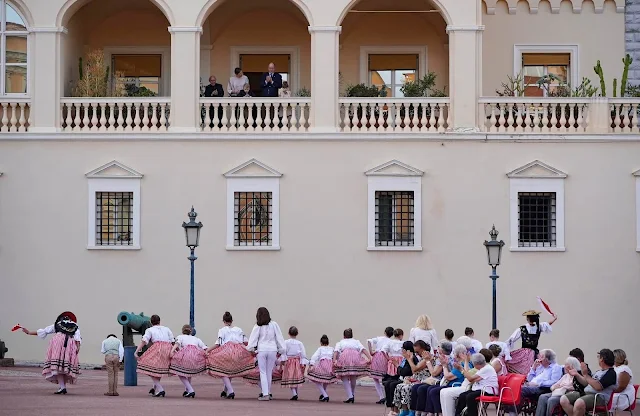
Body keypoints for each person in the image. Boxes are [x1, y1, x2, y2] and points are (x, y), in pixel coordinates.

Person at [21, 311, 82, 394]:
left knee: (57, 366)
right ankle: (62, 387)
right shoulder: (75, 326)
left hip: (58, 343)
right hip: (69, 345)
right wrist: (77, 348)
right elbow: (77, 338)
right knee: (64, 367)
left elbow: (44, 331)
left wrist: (28, 332)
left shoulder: (57, 324)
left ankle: (62, 387)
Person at [206, 311, 256, 400]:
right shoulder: (238, 329)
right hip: (239, 350)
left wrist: (208, 350)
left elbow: (218, 344)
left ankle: (231, 391)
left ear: (223, 321)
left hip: (227, 350)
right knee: (229, 369)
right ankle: (225, 391)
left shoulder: (222, 330)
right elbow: (246, 342)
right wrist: (251, 350)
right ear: (232, 320)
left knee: (223, 370)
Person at [560, 348, 618, 416]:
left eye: (598, 357)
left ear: (602, 359)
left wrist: (585, 375)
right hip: (587, 393)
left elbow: (598, 387)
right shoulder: (598, 372)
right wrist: (577, 374)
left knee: (579, 403)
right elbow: (586, 383)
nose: (598, 359)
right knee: (564, 399)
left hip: (599, 397)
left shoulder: (611, 373)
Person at [246, 307, 286, 401]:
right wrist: (281, 350)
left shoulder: (257, 326)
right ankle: (268, 392)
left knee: (262, 372)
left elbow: (252, 340)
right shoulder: (274, 324)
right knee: (269, 372)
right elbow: (279, 338)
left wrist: (251, 349)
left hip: (262, 350)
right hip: (272, 350)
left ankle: (265, 394)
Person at [506, 310, 557, 374]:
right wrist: (554, 319)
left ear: (527, 319)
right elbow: (547, 324)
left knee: (526, 369)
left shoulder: (523, 328)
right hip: (534, 352)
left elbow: (511, 339)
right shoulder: (538, 327)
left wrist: (505, 351)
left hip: (525, 353)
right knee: (537, 368)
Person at [135, 314, 174, 397]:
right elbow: (172, 341)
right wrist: (176, 351)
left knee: (146, 366)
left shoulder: (149, 330)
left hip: (158, 348)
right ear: (159, 321)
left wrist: (137, 351)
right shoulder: (166, 329)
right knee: (158, 369)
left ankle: (160, 389)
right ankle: (154, 388)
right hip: (168, 348)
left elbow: (144, 341)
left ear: (151, 322)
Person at [393, 340, 434, 416]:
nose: (416, 354)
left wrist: (409, 359)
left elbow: (415, 369)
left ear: (423, 349)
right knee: (399, 386)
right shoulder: (422, 358)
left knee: (407, 388)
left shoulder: (427, 358)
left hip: (424, 379)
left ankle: (411, 411)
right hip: (418, 378)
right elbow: (414, 371)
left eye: (418, 352)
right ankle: (403, 410)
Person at [333, 328, 372, 403]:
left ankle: (350, 396)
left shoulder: (341, 342)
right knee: (353, 375)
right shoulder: (356, 342)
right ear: (352, 335)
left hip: (345, 357)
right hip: (355, 357)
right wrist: (369, 357)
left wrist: (334, 360)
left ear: (344, 336)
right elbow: (363, 349)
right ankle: (352, 394)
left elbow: (336, 351)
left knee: (344, 376)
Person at [169, 324, 207, 398]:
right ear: (191, 331)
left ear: (182, 331)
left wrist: (172, 351)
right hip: (196, 356)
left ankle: (190, 390)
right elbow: (204, 347)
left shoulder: (180, 337)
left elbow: (177, 344)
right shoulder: (196, 339)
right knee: (189, 372)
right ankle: (187, 390)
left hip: (185, 355)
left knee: (177, 370)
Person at [383, 341, 419, 415]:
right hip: (402, 378)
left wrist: (396, 365)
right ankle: (391, 408)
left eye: (403, 349)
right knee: (387, 383)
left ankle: (396, 409)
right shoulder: (405, 359)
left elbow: (404, 372)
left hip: (407, 379)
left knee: (393, 385)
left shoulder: (412, 358)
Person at [368, 326, 395, 404]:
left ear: (385, 332)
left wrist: (371, 352)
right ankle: (387, 395)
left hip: (377, 356)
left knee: (375, 378)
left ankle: (381, 396)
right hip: (386, 357)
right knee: (385, 376)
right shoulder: (391, 341)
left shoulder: (379, 338)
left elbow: (369, 341)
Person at [280, 326, 308, 400]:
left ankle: (294, 393)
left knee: (290, 377)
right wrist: (303, 362)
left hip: (289, 361)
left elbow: (283, 352)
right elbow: (303, 354)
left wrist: (283, 361)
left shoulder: (286, 342)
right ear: (297, 333)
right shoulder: (300, 343)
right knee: (295, 377)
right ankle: (295, 393)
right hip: (297, 361)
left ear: (289, 333)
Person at [306, 334, 336, 402]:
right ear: (328, 342)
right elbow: (336, 356)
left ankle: (325, 395)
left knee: (316, 379)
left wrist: (311, 364)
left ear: (321, 343)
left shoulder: (320, 349)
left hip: (323, 364)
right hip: (330, 366)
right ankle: (323, 394)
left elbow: (314, 357)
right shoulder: (332, 349)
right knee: (325, 379)